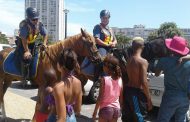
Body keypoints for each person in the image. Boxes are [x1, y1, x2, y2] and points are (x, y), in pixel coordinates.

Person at [155, 36, 190, 122]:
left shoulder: (163, 60)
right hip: (185, 97)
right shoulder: (188, 62)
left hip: (170, 96)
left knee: (163, 119)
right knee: (181, 119)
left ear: (171, 48)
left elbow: (156, 74)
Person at [47, 48, 82, 122]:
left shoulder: (58, 87)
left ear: (60, 65)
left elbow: (62, 119)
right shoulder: (78, 82)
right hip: (72, 117)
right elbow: (77, 109)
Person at [122, 37, 152, 122]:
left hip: (127, 91)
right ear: (142, 47)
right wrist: (149, 99)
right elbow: (143, 82)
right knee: (140, 118)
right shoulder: (142, 61)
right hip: (136, 93)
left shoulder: (129, 60)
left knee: (128, 118)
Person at [18, 7, 48, 79]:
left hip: (33, 43)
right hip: (23, 44)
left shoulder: (39, 24)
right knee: (27, 58)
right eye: (33, 19)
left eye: (37, 19)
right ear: (28, 18)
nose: (36, 21)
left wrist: (44, 43)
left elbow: (45, 34)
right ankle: (25, 77)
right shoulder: (24, 25)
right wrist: (27, 51)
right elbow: (24, 39)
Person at [92, 54, 123, 122]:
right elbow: (121, 98)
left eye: (103, 65)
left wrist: (95, 112)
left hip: (106, 109)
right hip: (116, 109)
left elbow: (100, 97)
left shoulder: (104, 79)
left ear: (107, 67)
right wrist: (120, 109)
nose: (102, 66)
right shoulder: (120, 79)